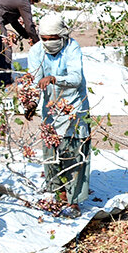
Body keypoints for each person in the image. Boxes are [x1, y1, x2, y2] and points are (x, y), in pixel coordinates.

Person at [28, 13, 91, 215]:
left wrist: (54, 79)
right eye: (45, 39)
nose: (48, 43)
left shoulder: (72, 48)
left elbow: (76, 78)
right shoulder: (36, 51)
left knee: (74, 152)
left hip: (74, 107)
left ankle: (74, 200)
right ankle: (58, 193)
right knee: (52, 152)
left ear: (62, 35)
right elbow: (34, 81)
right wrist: (30, 102)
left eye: (53, 38)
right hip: (51, 110)